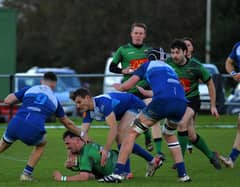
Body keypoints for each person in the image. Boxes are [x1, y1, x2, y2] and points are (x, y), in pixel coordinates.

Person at [0, 72, 81, 181]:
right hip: (33, 127)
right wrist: (81, 133)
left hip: (16, 122)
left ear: (41, 81)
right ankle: (26, 174)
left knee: (0, 146)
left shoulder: (29, 89)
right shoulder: (55, 100)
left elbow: (7, 100)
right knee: (42, 144)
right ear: (54, 85)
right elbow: (67, 123)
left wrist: (22, 99)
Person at [99, 48, 193, 183]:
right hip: (180, 103)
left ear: (150, 57)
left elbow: (127, 86)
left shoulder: (147, 65)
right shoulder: (170, 68)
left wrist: (119, 87)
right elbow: (169, 90)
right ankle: (183, 175)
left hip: (162, 102)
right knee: (170, 134)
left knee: (130, 133)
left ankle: (117, 174)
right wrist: (147, 93)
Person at [70, 88, 163, 179]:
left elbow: (113, 128)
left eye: (79, 102)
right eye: (76, 103)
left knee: (120, 134)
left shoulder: (103, 103)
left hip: (134, 105)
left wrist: (106, 150)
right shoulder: (88, 111)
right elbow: (82, 133)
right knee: (122, 139)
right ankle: (152, 161)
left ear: (87, 98)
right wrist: (73, 152)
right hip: (124, 111)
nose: (78, 106)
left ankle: (126, 171)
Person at [109, 22, 163, 156]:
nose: (138, 36)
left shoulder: (150, 51)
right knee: (127, 127)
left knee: (153, 116)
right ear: (131, 34)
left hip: (146, 88)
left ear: (144, 35)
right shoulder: (123, 50)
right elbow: (112, 67)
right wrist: (123, 70)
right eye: (136, 33)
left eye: (141, 33)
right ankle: (146, 136)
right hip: (130, 91)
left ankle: (159, 152)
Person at [166, 39, 221, 169]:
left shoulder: (196, 66)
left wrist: (213, 105)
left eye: (177, 52)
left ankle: (180, 160)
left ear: (185, 52)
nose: (174, 56)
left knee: (182, 123)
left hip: (192, 101)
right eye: (172, 53)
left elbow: (210, 83)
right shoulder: (168, 64)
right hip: (177, 101)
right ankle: (211, 156)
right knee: (191, 136)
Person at [53, 130, 119, 181]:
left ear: (77, 140)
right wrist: (73, 166)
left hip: (118, 171)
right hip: (117, 159)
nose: (67, 147)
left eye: (68, 143)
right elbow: (87, 170)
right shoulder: (88, 145)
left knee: (84, 174)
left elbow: (84, 177)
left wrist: (62, 178)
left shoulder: (86, 154)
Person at [220, 41, 240, 168]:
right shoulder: (238, 46)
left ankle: (232, 158)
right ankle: (231, 159)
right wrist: (233, 74)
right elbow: (228, 63)